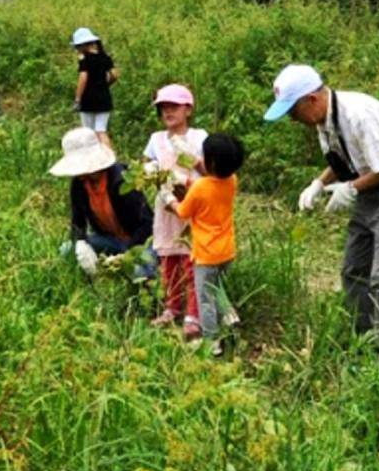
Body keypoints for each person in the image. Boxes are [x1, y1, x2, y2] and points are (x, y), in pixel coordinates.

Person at [267, 64, 379, 367]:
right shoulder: (325, 121)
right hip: (370, 193)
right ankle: (365, 346)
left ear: (312, 100)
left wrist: (350, 189)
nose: (292, 119)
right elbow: (348, 157)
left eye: (293, 111)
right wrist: (319, 183)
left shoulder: (358, 114)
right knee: (354, 270)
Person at [169, 132, 244, 356]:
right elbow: (207, 182)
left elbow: (183, 211)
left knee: (205, 298)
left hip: (206, 254)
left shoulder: (200, 189)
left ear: (210, 162)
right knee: (216, 285)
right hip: (226, 250)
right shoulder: (232, 180)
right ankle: (229, 316)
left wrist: (169, 199)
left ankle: (212, 341)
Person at [49, 126, 155, 281]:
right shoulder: (79, 185)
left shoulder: (121, 180)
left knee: (139, 274)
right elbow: (77, 222)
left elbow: (147, 224)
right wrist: (80, 242)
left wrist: (126, 255)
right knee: (67, 250)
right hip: (110, 240)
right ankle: (90, 282)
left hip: (140, 242)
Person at [142, 84, 207, 338]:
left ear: (188, 109)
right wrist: (150, 174)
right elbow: (147, 167)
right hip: (166, 205)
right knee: (169, 258)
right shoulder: (156, 139)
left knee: (190, 258)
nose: (167, 112)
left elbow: (210, 174)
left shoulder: (199, 137)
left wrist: (191, 159)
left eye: (173, 106)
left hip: (193, 202)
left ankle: (193, 314)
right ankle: (172, 307)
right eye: (163, 108)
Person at [70, 27, 118, 150]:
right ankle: (109, 158)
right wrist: (104, 85)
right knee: (101, 131)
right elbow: (114, 75)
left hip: (88, 99)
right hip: (104, 98)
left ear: (82, 46)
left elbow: (83, 78)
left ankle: (92, 160)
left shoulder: (85, 60)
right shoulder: (105, 57)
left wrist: (77, 99)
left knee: (88, 132)